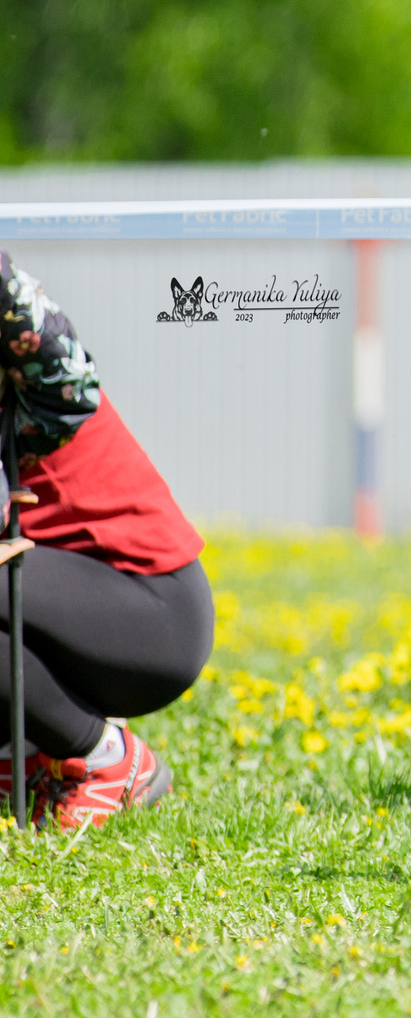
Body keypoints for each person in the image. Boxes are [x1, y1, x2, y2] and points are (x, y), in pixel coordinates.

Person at [0, 251, 210, 826]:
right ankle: (22, 762)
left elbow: (40, 336)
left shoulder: (47, 395)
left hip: (153, 613)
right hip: (76, 612)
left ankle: (111, 760)